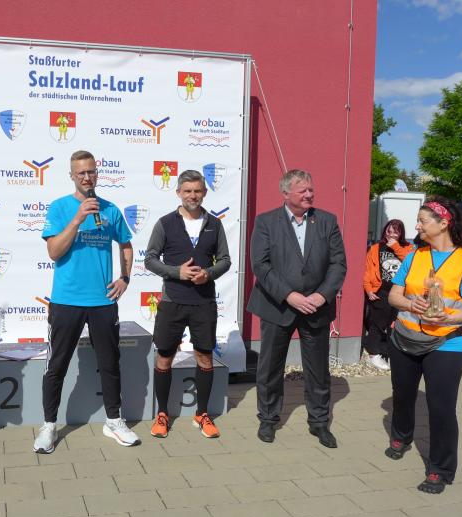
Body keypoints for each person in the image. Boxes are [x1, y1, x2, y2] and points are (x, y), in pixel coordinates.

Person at [33, 150, 139, 453]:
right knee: (57, 365)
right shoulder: (60, 208)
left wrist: (125, 277)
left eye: (91, 171)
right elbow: (54, 252)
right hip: (67, 300)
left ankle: (114, 421)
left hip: (103, 301)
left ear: (97, 174)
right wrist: (78, 218)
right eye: (81, 173)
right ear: (72, 176)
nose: (87, 177)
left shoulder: (111, 209)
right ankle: (49, 425)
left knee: (110, 363)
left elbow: (126, 244)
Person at [386, 196, 462, 494]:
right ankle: (401, 436)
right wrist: (410, 304)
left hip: (446, 343)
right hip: (404, 339)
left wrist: (451, 316)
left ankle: (440, 468)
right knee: (402, 395)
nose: (417, 226)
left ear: (443, 224)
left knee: (441, 407)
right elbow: (394, 296)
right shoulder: (414, 256)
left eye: (422, 221)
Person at [247, 169, 347, 448]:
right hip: (277, 306)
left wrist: (322, 295)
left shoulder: (326, 220)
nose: (309, 195)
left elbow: (338, 263)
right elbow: (261, 265)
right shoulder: (266, 222)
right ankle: (268, 419)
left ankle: (319, 422)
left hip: (316, 307)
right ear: (285, 193)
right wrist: (289, 295)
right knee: (270, 366)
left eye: (311, 190)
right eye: (303, 190)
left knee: (318, 369)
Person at [144, 170, 231, 438]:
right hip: (172, 302)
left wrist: (209, 274)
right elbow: (150, 259)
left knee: (204, 356)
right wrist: (176, 272)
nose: (193, 195)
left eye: (197, 191)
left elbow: (225, 260)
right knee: (165, 357)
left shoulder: (214, 224)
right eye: (188, 191)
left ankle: (202, 414)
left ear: (204, 192)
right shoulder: (165, 223)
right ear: (179, 193)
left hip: (203, 303)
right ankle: (162, 414)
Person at [362, 219, 413, 370]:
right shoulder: (376, 248)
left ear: (401, 233)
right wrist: (369, 289)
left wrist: (396, 247)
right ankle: (374, 353)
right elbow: (368, 270)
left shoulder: (407, 248)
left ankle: (393, 353)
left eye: (395, 232)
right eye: (388, 231)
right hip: (381, 291)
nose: (391, 234)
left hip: (400, 292)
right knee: (378, 322)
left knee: (395, 324)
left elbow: (410, 264)